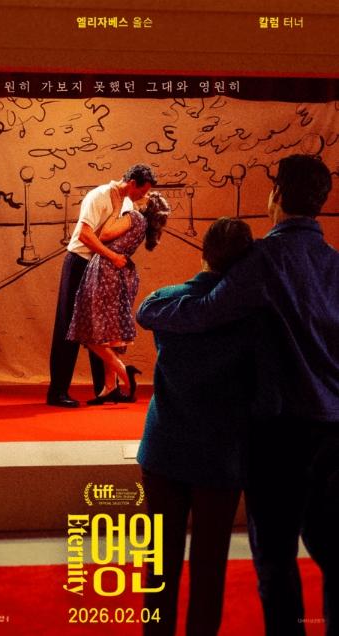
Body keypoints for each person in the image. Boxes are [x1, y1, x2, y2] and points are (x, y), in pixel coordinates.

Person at [137, 154, 339, 636]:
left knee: (276, 562)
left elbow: (207, 308)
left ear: (276, 194)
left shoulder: (264, 260)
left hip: (281, 436)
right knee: (334, 551)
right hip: (333, 430)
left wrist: (154, 309)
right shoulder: (335, 263)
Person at [137, 217, 257, 636]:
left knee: (159, 565)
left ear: (203, 251)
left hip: (164, 450)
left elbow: (145, 310)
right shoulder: (252, 317)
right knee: (209, 568)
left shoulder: (167, 301)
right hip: (220, 458)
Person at [46, 164, 157, 407]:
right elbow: (85, 235)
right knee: (68, 325)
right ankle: (57, 392)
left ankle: (106, 389)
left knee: (100, 327)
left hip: (101, 267)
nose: (143, 196)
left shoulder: (127, 203)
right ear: (132, 183)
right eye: (142, 190)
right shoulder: (98, 196)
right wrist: (113, 257)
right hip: (79, 262)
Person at [67, 190, 170, 405]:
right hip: (119, 274)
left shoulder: (134, 217)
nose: (142, 195)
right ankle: (110, 386)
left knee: (90, 332)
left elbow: (104, 235)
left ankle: (124, 372)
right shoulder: (143, 224)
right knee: (109, 331)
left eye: (148, 195)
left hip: (107, 271)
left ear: (147, 205)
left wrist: (115, 210)